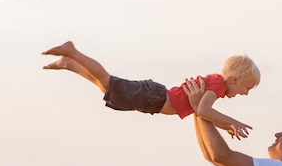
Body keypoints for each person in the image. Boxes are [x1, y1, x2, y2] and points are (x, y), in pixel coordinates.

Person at [42, 41, 260, 139]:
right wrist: (233, 123)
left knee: (106, 88)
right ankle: (74, 53)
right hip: (154, 96)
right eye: (247, 87)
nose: (246, 93)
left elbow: (203, 111)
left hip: (153, 100)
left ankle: (70, 64)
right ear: (234, 78)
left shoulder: (218, 87)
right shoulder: (217, 84)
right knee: (107, 81)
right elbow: (203, 111)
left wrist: (226, 127)